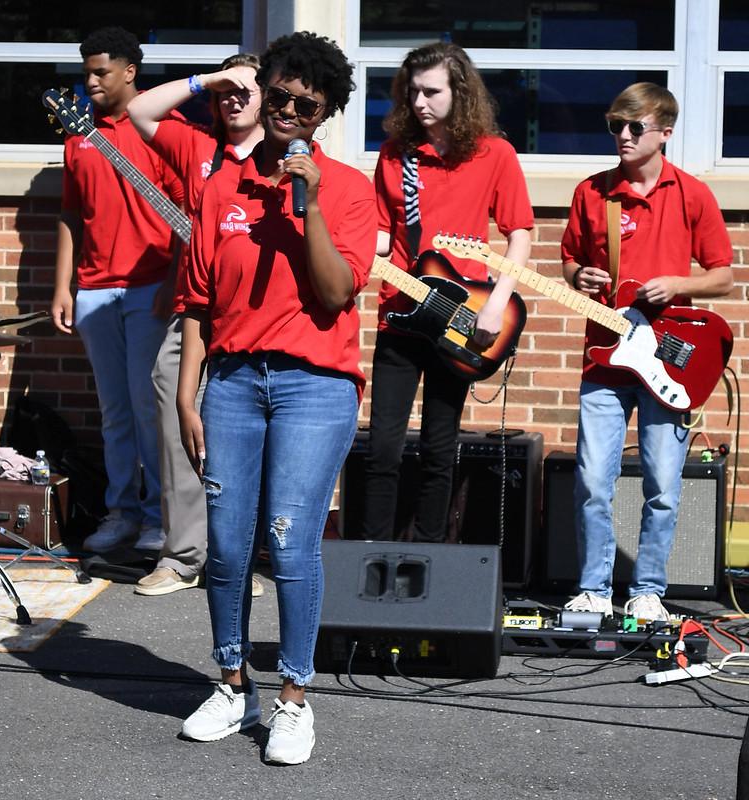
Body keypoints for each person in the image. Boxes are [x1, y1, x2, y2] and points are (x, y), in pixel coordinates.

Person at [176, 32, 376, 764]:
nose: (289, 109)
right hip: (229, 382)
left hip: (313, 386)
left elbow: (335, 291)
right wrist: (186, 396)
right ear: (264, 92)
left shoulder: (349, 189)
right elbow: (197, 301)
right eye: (281, 94)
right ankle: (234, 685)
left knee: (290, 540)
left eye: (306, 103)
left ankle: (294, 697)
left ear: (324, 114)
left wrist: (309, 206)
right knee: (227, 547)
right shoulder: (220, 186)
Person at [561, 82, 734, 621]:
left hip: (669, 358)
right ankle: (593, 588)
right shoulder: (593, 192)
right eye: (616, 126)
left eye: (635, 127)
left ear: (665, 132)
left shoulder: (692, 194)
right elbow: (568, 261)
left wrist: (677, 282)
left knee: (662, 481)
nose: (624, 136)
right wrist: (580, 276)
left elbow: (723, 276)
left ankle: (647, 590)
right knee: (592, 479)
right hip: (604, 357)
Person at [361, 42, 533, 543]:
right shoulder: (396, 154)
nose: (419, 102)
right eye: (411, 91)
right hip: (399, 313)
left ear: (459, 93)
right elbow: (378, 231)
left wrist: (497, 303)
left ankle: (428, 558)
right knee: (383, 449)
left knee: (440, 446)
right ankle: (369, 558)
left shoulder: (493, 153)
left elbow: (519, 233)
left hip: (462, 316)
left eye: (431, 92)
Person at [126, 54, 265, 597]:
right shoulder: (196, 145)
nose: (232, 97)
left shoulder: (277, 154)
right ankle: (181, 556)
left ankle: (232, 560)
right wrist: (205, 79)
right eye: (224, 90)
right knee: (175, 426)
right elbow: (139, 111)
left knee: (244, 437)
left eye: (244, 88)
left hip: (253, 317)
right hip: (191, 310)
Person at [51, 26, 183, 554]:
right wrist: (63, 286)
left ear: (130, 71)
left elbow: (185, 215)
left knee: (149, 405)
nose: (91, 81)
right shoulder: (78, 136)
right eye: (85, 72)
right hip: (95, 289)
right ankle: (121, 512)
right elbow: (70, 216)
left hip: (150, 286)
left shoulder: (163, 130)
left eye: (100, 71)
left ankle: (158, 518)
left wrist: (173, 281)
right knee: (114, 410)